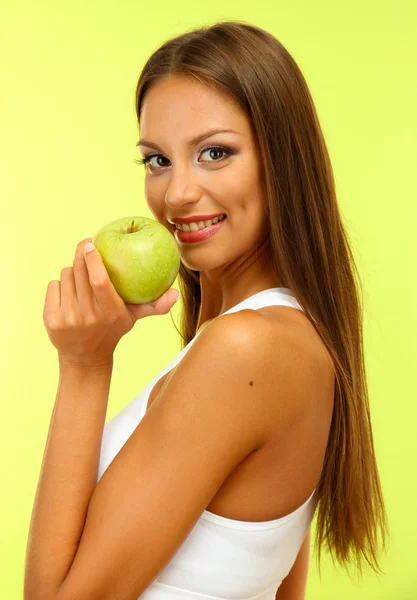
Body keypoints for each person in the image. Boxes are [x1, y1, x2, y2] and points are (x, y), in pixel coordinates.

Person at [26, 20, 389, 600]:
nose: (175, 195)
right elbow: (279, 588)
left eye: (214, 153)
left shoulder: (247, 349)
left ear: (282, 160)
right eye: (157, 160)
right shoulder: (285, 337)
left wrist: (83, 365)